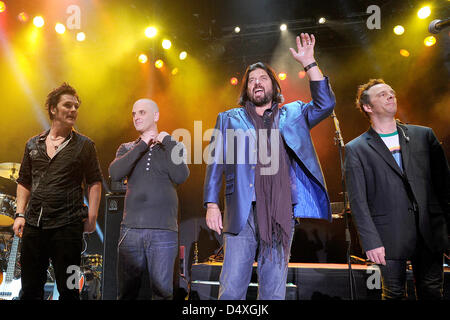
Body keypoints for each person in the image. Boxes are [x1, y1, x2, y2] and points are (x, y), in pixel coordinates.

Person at [203, 33, 336, 300]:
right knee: (232, 286)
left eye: (262, 78)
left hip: (280, 210)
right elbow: (216, 162)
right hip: (241, 208)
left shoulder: (293, 114)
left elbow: (326, 104)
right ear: (246, 90)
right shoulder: (229, 118)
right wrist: (211, 204)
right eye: (251, 80)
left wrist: (309, 63)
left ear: (274, 86)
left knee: (274, 287)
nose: (256, 83)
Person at [344, 79, 449, 299]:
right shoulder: (356, 149)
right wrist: (370, 241)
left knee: (432, 291)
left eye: (391, 92)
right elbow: (358, 201)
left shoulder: (423, 135)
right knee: (393, 294)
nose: (390, 96)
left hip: (428, 230)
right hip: (387, 234)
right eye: (382, 94)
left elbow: (444, 187)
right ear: (367, 107)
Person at [13, 82, 103, 300]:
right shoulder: (33, 144)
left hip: (69, 226)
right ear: (53, 109)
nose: (73, 110)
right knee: (30, 289)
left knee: (69, 290)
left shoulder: (85, 145)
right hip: (35, 225)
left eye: (76, 106)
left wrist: (92, 216)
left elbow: (95, 182)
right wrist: (20, 214)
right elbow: (24, 181)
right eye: (68, 105)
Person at [109, 98, 189, 300]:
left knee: (162, 293)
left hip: (163, 231)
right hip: (131, 230)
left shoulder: (173, 146)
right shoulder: (127, 148)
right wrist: (142, 145)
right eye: (134, 113)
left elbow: (181, 175)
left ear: (156, 116)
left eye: (142, 112)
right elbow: (115, 172)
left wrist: (168, 141)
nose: (136, 117)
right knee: (127, 293)